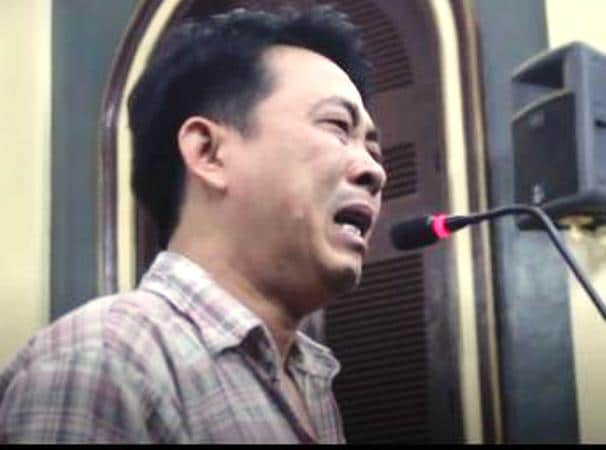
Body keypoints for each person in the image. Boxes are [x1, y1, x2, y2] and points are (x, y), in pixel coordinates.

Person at [0, 5, 386, 443]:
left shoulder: (315, 386)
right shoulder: (104, 358)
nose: (374, 170)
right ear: (208, 152)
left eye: (373, 149)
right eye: (337, 127)